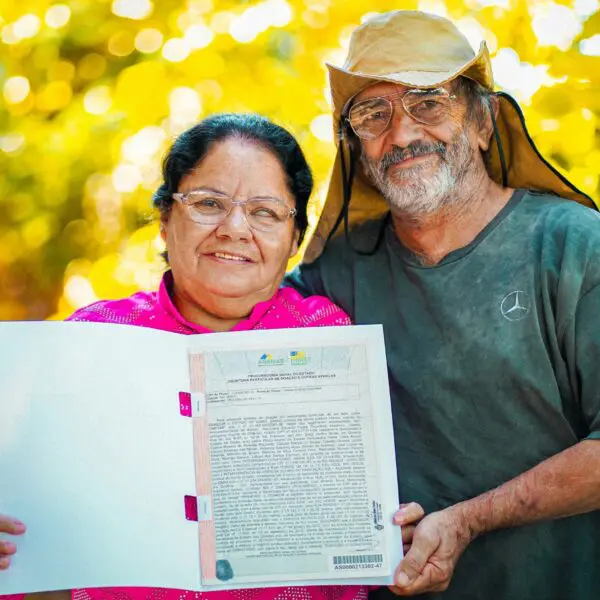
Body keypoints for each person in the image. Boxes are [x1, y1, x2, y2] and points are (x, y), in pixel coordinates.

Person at [0, 113, 421, 600]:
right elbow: (34, 502)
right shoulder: (93, 339)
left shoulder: (325, 336)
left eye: (265, 212)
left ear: (294, 240)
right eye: (208, 203)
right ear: (164, 220)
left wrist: (385, 530)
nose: (234, 228)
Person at [286, 10, 600, 600]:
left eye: (428, 102)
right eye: (372, 115)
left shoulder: (576, 247)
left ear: (483, 120)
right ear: (354, 145)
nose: (401, 135)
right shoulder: (335, 275)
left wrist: (467, 520)